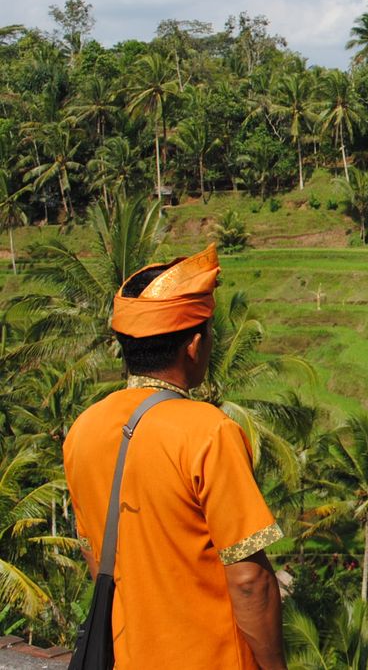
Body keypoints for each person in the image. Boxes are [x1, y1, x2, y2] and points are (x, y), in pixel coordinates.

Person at [63, 244, 287, 670]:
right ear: (195, 345)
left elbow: (98, 558)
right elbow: (248, 580)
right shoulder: (209, 431)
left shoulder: (83, 429)